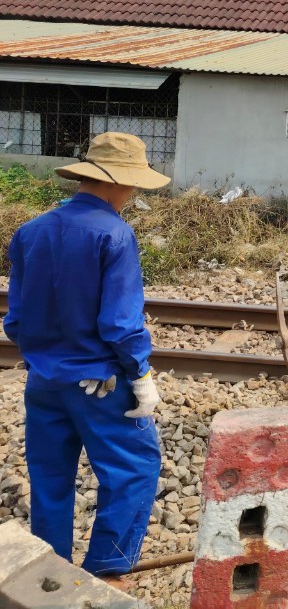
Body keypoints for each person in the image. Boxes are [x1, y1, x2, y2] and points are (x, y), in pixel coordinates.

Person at [4, 132, 167, 580]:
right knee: (133, 469)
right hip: (100, 384)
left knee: (50, 478)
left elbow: (15, 320)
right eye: (133, 185)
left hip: (44, 382)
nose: (133, 195)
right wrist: (140, 374)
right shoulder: (115, 234)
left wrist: (48, 358)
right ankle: (106, 571)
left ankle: (48, 575)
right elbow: (120, 323)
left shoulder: (30, 232)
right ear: (116, 183)